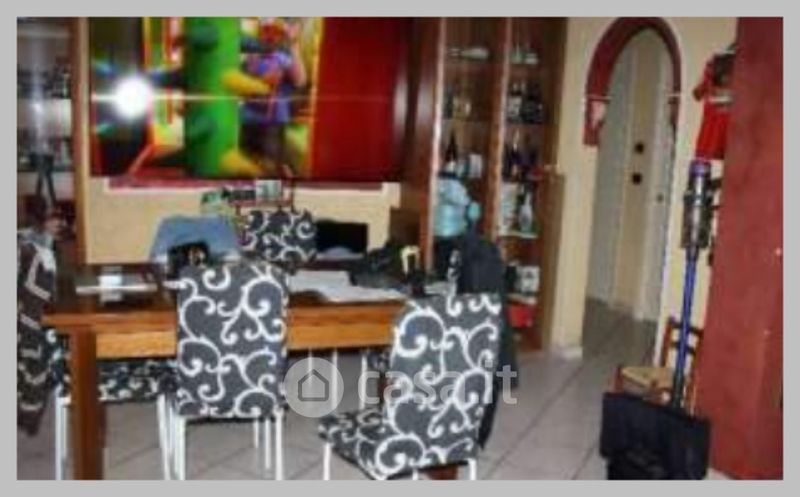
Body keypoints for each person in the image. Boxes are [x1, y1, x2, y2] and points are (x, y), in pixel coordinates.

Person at [241, 18, 308, 176]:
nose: (270, 36)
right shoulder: (251, 58)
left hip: (274, 121)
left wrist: (293, 45)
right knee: (247, 159)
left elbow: (300, 80)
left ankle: (272, 179)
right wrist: (260, 82)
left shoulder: (281, 58)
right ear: (258, 34)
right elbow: (241, 87)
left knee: (271, 162)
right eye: (266, 31)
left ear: (281, 38)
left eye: (276, 33)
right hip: (249, 119)